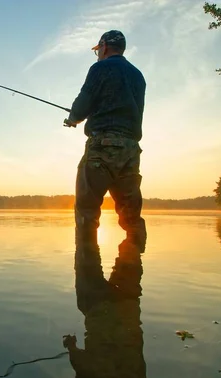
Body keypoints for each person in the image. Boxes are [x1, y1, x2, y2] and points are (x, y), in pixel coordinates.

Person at [64, 30, 146, 245]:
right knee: (131, 216)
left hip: (102, 147)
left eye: (98, 49)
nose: (98, 53)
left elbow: (83, 103)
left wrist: (73, 118)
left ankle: (88, 272)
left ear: (104, 46)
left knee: (87, 212)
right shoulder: (138, 76)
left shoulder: (100, 68)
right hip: (131, 150)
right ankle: (134, 265)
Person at [63, 232, 148, 378]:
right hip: (100, 305)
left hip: (126, 304)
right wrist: (71, 347)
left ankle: (131, 230)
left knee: (130, 242)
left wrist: (72, 348)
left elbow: (83, 370)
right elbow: (82, 369)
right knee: (86, 243)